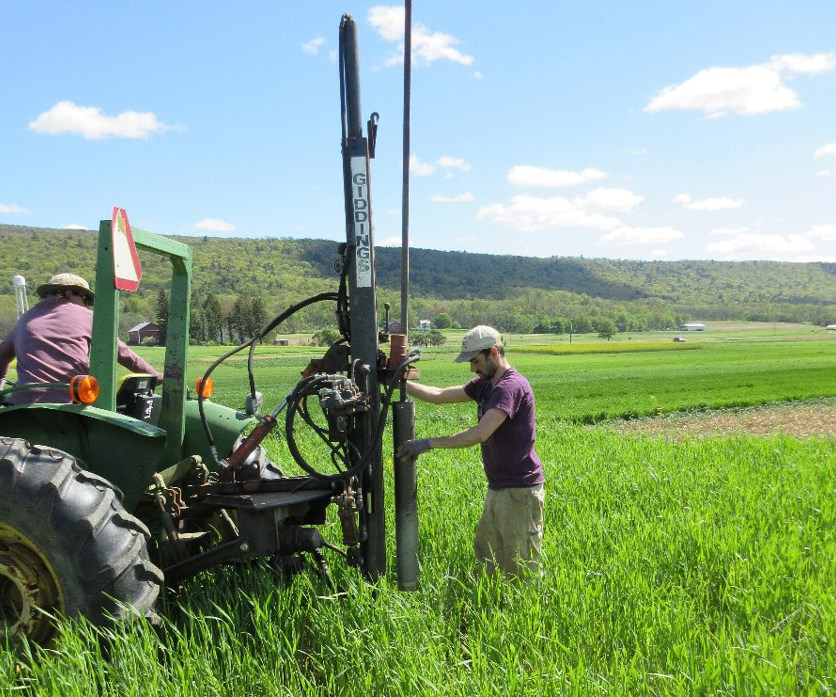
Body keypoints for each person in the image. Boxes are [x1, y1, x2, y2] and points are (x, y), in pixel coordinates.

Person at [397, 325, 545, 580]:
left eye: (476, 361)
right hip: (498, 488)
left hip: (519, 491)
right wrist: (400, 382)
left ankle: (526, 615)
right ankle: (491, 610)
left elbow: (480, 433)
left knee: (521, 566)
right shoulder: (486, 385)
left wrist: (427, 444)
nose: (472, 368)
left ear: (495, 352)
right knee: (487, 557)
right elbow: (440, 395)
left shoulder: (510, 387)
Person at [0, 273, 163, 405]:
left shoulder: (25, 318)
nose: (86, 306)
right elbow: (123, 353)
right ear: (69, 293)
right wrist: (156, 376)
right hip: (70, 403)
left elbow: (2, 356)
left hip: (20, 404)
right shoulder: (87, 316)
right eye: (85, 299)